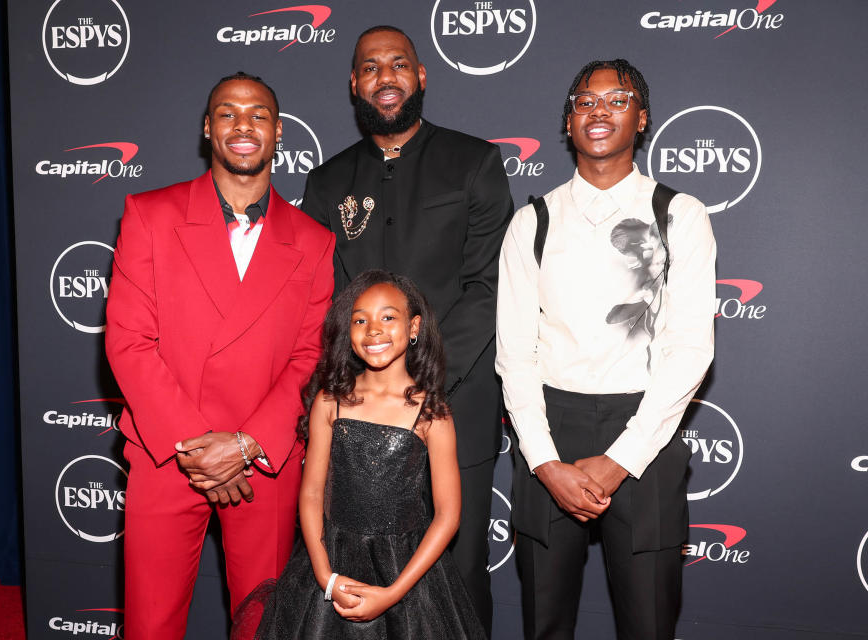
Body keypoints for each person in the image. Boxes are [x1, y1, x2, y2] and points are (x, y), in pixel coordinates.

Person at [105, 71, 335, 639]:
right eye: (227, 112)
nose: (243, 124)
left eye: (258, 114)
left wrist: (247, 443)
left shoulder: (313, 239)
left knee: (264, 623)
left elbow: (311, 356)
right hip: (166, 452)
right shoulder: (150, 215)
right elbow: (129, 340)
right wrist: (196, 446)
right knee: (150, 624)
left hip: (263, 460)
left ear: (278, 132)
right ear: (208, 128)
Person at [301, 26, 513, 632]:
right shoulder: (326, 182)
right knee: (355, 563)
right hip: (356, 418)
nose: (385, 77)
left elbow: (488, 286)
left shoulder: (473, 162)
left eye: (398, 65)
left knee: (459, 571)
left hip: (452, 401)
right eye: (370, 67)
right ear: (353, 84)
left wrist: (423, 379)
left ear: (422, 76)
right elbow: (322, 300)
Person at [495, 59, 716, 639]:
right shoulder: (531, 222)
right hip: (550, 424)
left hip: (646, 428)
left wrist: (620, 459)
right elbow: (514, 353)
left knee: (648, 625)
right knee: (545, 624)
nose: (599, 111)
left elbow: (692, 348)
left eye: (617, 100)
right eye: (585, 101)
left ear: (641, 119)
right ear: (568, 121)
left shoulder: (681, 215)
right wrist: (544, 462)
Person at [233, 270, 486, 639]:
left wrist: (394, 593)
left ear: (414, 327)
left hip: (406, 574)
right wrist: (325, 577)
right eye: (360, 319)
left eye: (388, 317)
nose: (373, 330)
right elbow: (312, 494)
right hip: (329, 564)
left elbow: (447, 515)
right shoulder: (329, 402)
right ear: (348, 333)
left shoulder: (432, 413)